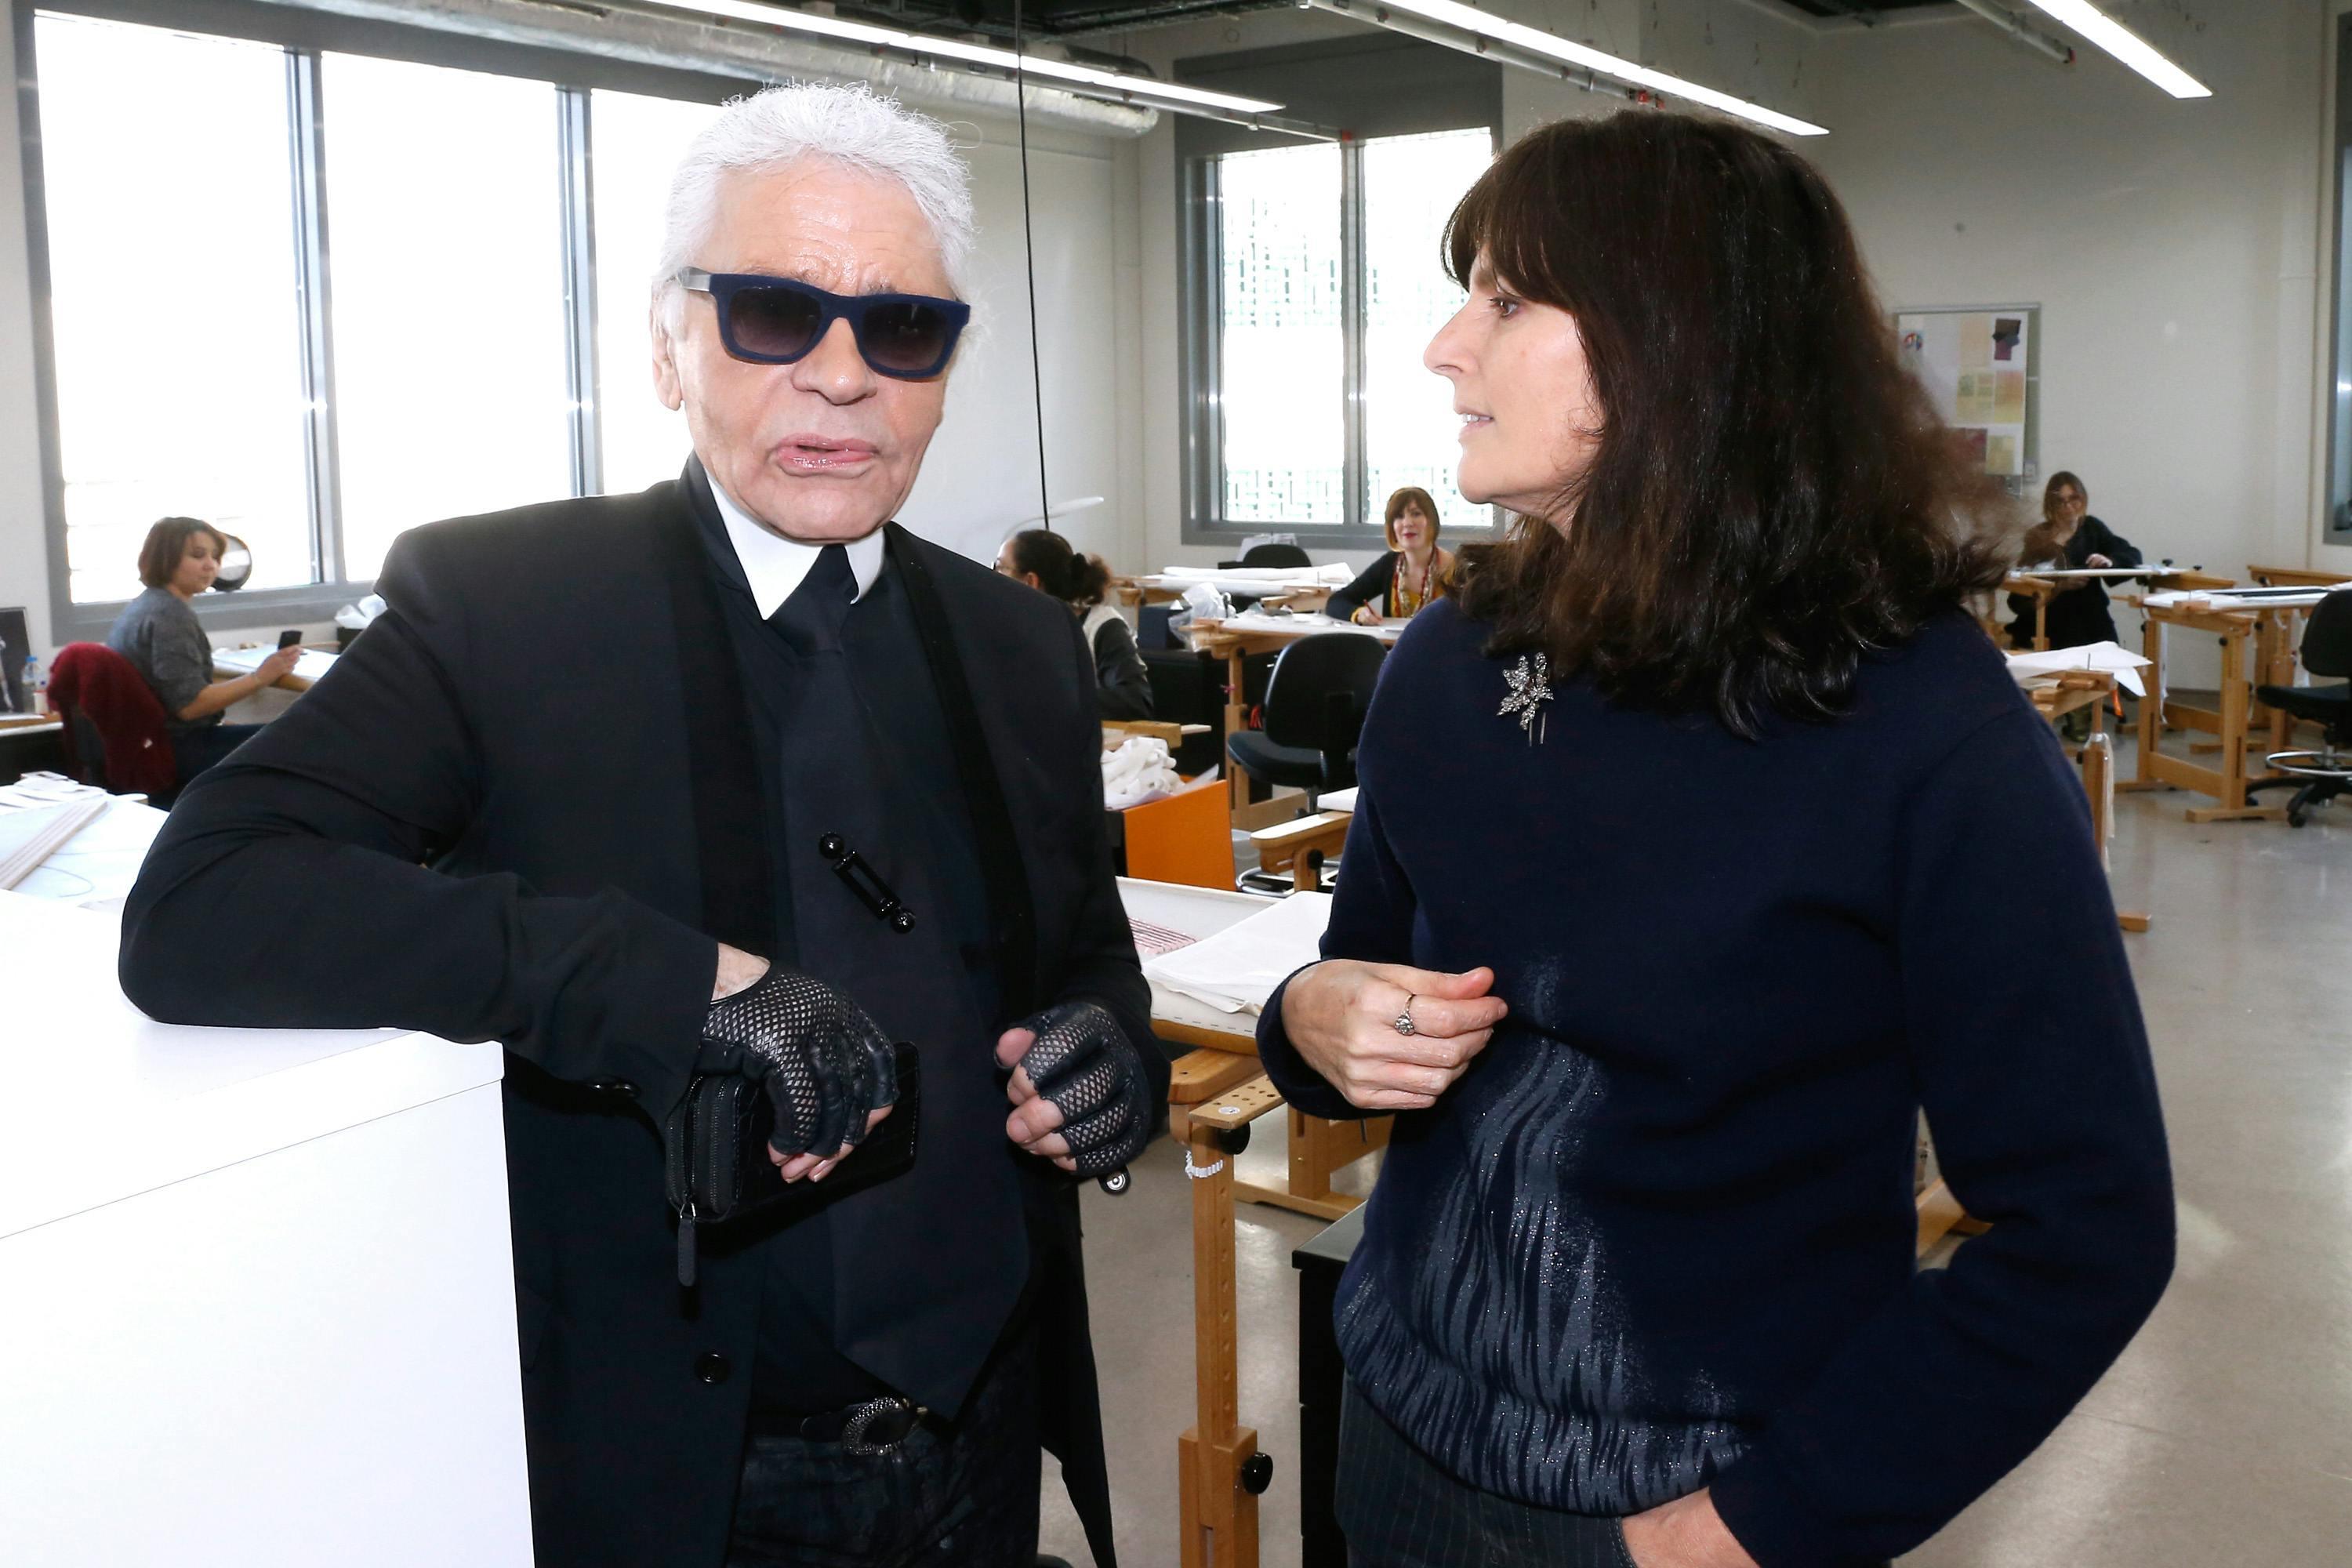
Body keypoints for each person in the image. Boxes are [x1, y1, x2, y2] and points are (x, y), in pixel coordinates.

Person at [119, 84, 1163, 1568]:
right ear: (668, 345)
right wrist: (663, 983)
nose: (843, 376)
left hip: (982, 1437)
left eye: (902, 330)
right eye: (771, 313)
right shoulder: (510, 608)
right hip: (696, 1473)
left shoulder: (1020, 644)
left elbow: (1083, 956)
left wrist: (1105, 1054)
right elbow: (203, 906)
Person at [1257, 111, 2172, 1568]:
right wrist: (1312, 1015)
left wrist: (1749, 1530)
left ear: (1669, 343)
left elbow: (2088, 1229)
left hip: (1698, 1494)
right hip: (1400, 1421)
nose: (1443, 346)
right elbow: (1347, 987)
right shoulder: (1450, 666)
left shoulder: (1926, 731)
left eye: (1504, 299)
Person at [105, 516, 300, 784]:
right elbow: (190, 706)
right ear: (166, 558)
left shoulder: (145, 605)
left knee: (271, 734)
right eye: (198, 555)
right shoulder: (169, 615)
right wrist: (261, 677)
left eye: (215, 556)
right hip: (179, 749)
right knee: (299, 741)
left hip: (161, 742)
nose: (211, 565)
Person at [996, 529, 1153, 720]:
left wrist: (1051, 701)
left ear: (1030, 581)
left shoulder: (1103, 627)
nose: (994, 576)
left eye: (1000, 567)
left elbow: (1134, 702)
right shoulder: (1010, 629)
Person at [2005, 470, 2142, 649]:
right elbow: (2020, 592)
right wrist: (2060, 585)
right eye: (2060, 501)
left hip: (2090, 622)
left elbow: (2131, 554)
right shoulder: (2037, 537)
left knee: (2113, 667)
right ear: (2051, 504)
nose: (2068, 506)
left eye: (2074, 499)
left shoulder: (2092, 528)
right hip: (2047, 623)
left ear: (2083, 499)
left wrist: (2109, 561)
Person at [1324, 487, 1454, 626]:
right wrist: (1359, 613)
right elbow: (1337, 601)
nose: (1407, 523)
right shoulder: (1390, 563)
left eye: (1416, 514)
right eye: (1399, 517)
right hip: (1394, 647)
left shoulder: (1455, 568)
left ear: (1432, 521)